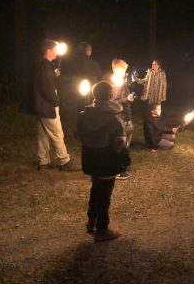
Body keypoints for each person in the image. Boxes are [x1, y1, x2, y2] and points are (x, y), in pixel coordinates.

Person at [76, 81, 131, 242]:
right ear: (111, 95)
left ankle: (91, 221)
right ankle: (102, 229)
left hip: (90, 159)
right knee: (105, 195)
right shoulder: (114, 120)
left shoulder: (83, 115)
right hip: (107, 160)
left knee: (95, 188)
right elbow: (118, 144)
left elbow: (78, 136)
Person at [34, 39, 79, 172]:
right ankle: (64, 161)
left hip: (40, 106)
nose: (56, 53)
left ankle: (43, 162)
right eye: (54, 50)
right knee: (57, 133)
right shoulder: (46, 67)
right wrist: (56, 101)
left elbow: (45, 81)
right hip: (47, 106)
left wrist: (54, 75)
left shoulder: (43, 65)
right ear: (48, 51)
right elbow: (47, 88)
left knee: (43, 134)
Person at [103, 58, 135, 180]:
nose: (124, 72)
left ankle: (121, 167)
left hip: (126, 116)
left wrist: (129, 97)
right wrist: (127, 99)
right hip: (121, 118)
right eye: (123, 70)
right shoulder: (113, 83)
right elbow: (113, 102)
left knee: (124, 144)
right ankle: (118, 170)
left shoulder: (120, 82)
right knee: (120, 145)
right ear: (116, 69)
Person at [73, 42, 102, 113]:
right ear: (88, 51)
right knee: (88, 112)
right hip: (90, 92)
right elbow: (99, 77)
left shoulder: (72, 63)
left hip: (74, 93)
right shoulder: (93, 63)